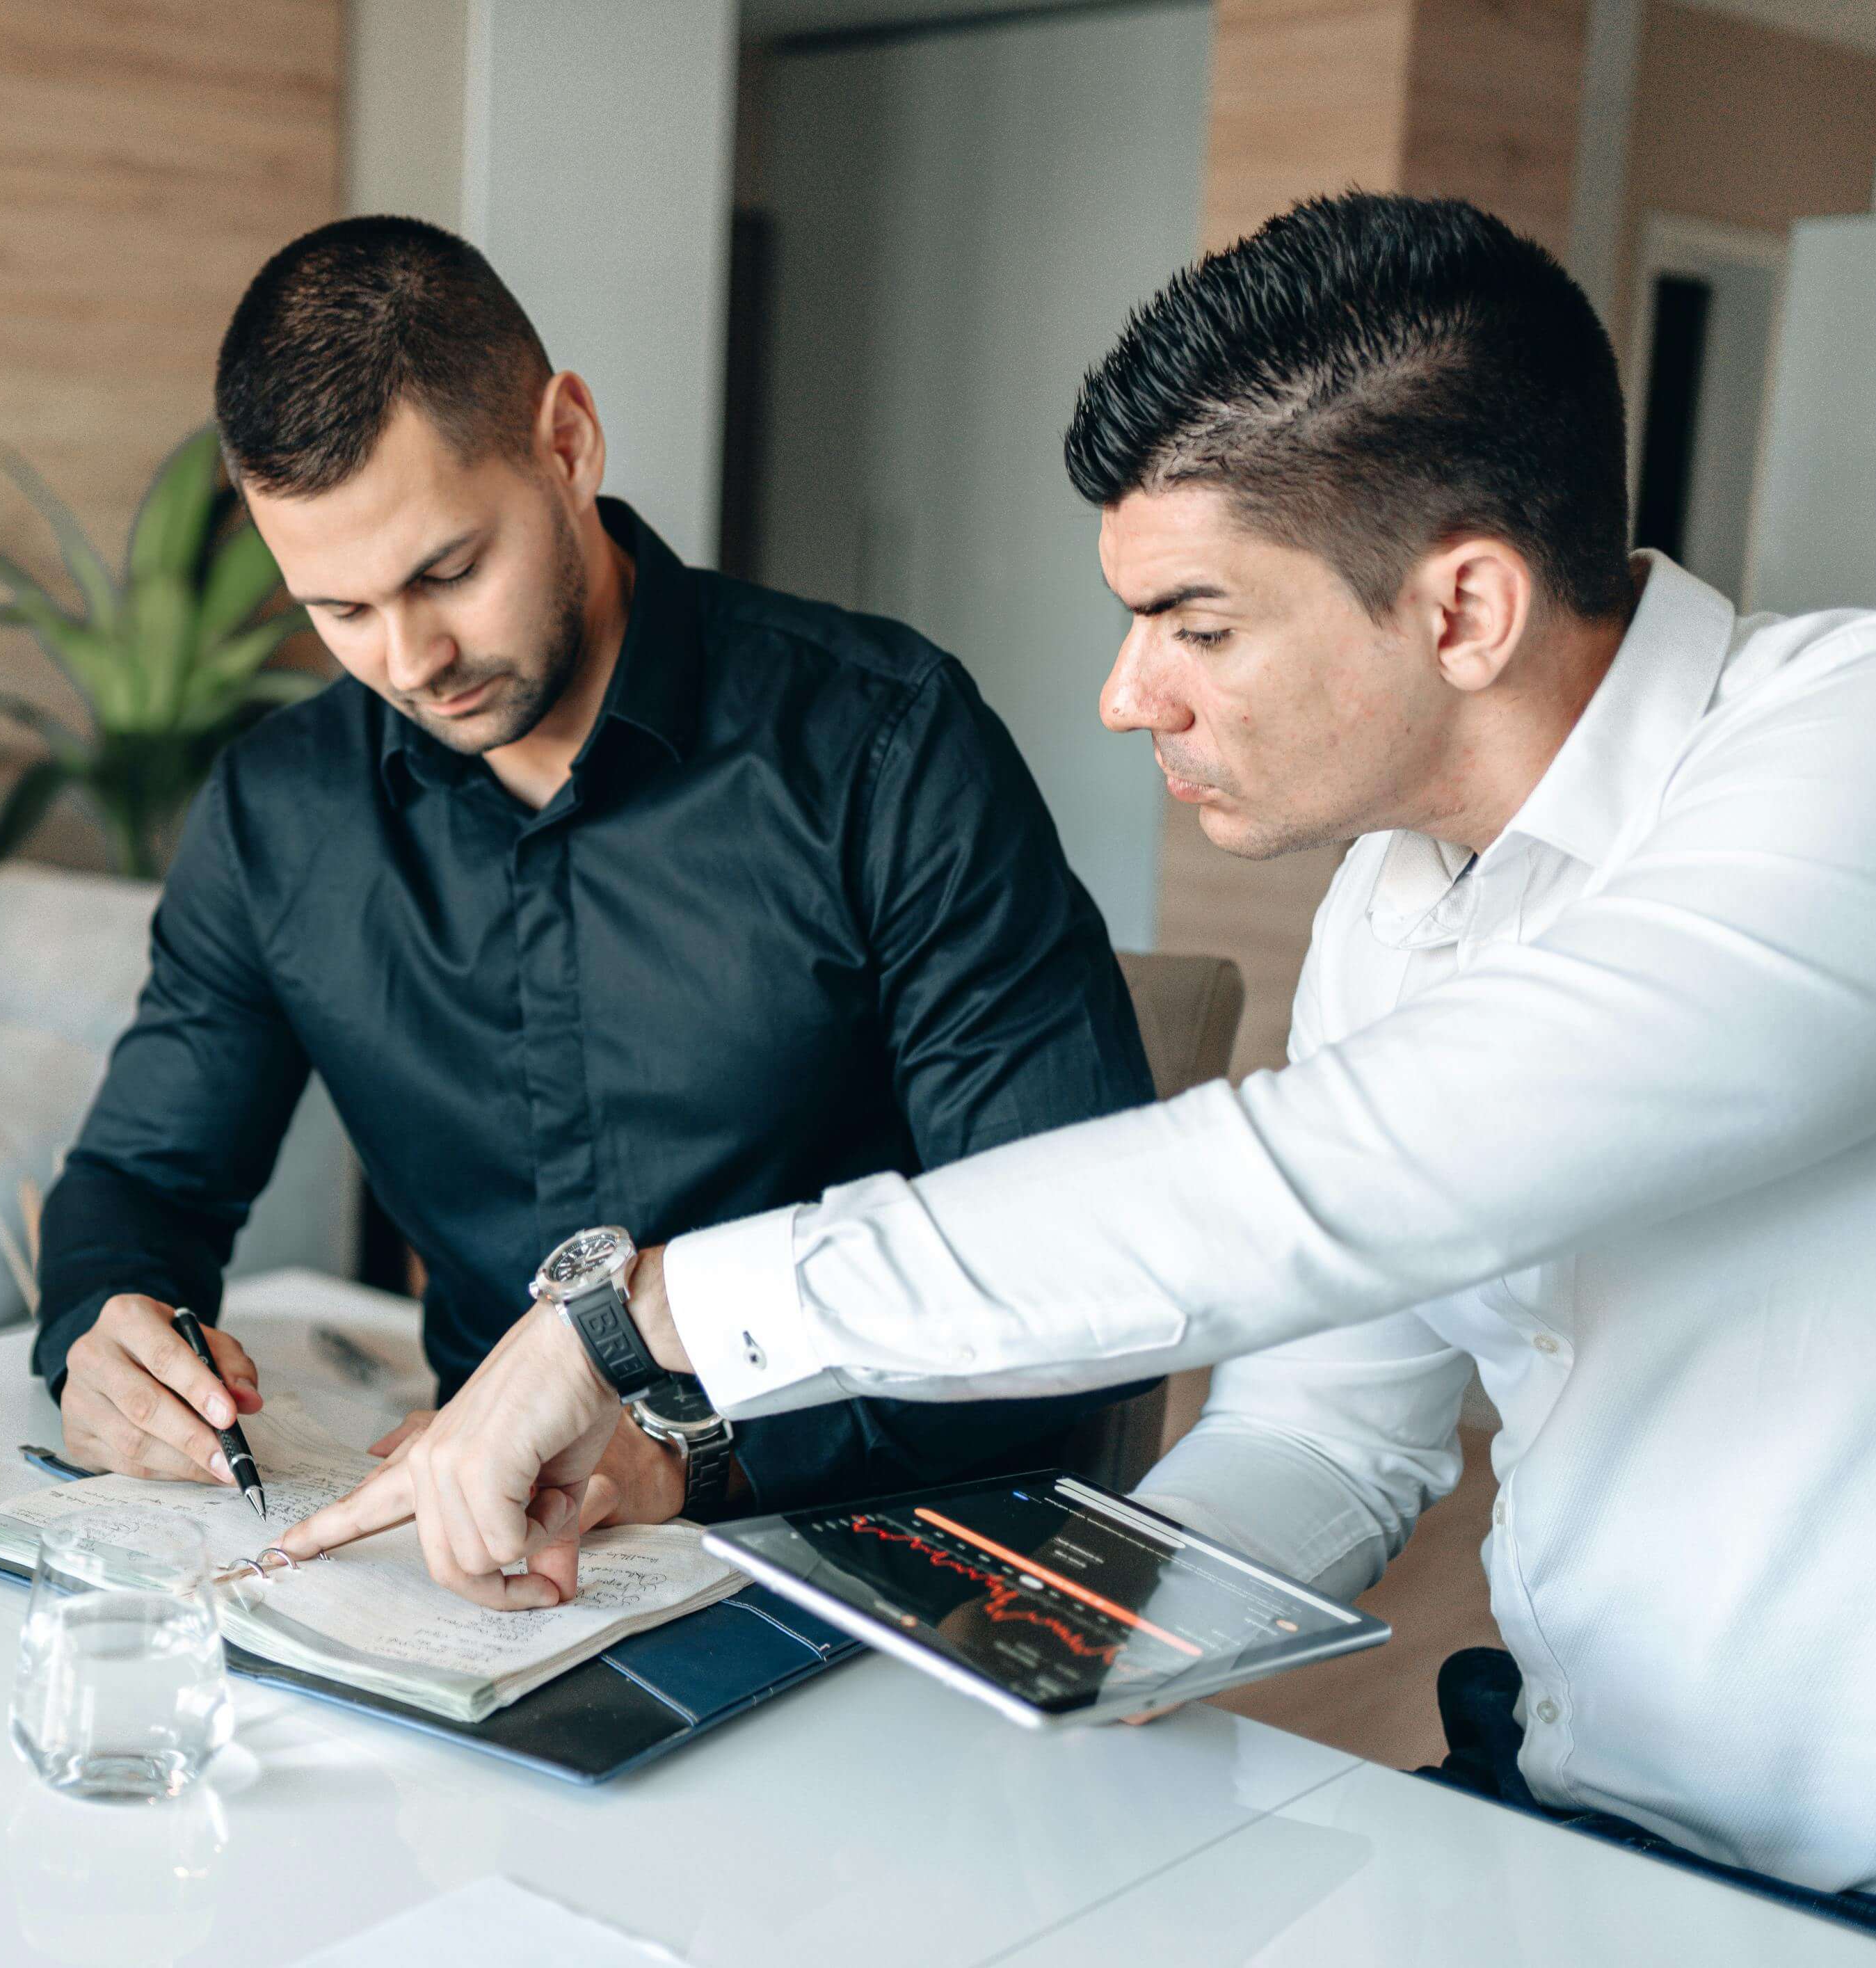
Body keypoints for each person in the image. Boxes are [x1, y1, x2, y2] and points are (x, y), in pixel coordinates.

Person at [288, 193, 1876, 1923]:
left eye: (1196, 624)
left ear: (1467, 606)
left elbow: (1331, 1181)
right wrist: (1014, 1647)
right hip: (1563, 1811)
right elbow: (1336, 1436)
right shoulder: (1395, 907)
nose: (1129, 697)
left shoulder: (1838, 761)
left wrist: (648, 1315)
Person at [33, 215, 1158, 1560]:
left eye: (448, 570)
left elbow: (1083, 1274)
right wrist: (108, 1332)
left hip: (862, 1537)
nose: (409, 658)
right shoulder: (281, 812)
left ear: (566, 442)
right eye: (335, 611)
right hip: (484, 1550)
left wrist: (688, 1450)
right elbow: (142, 1176)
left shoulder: (881, 747)